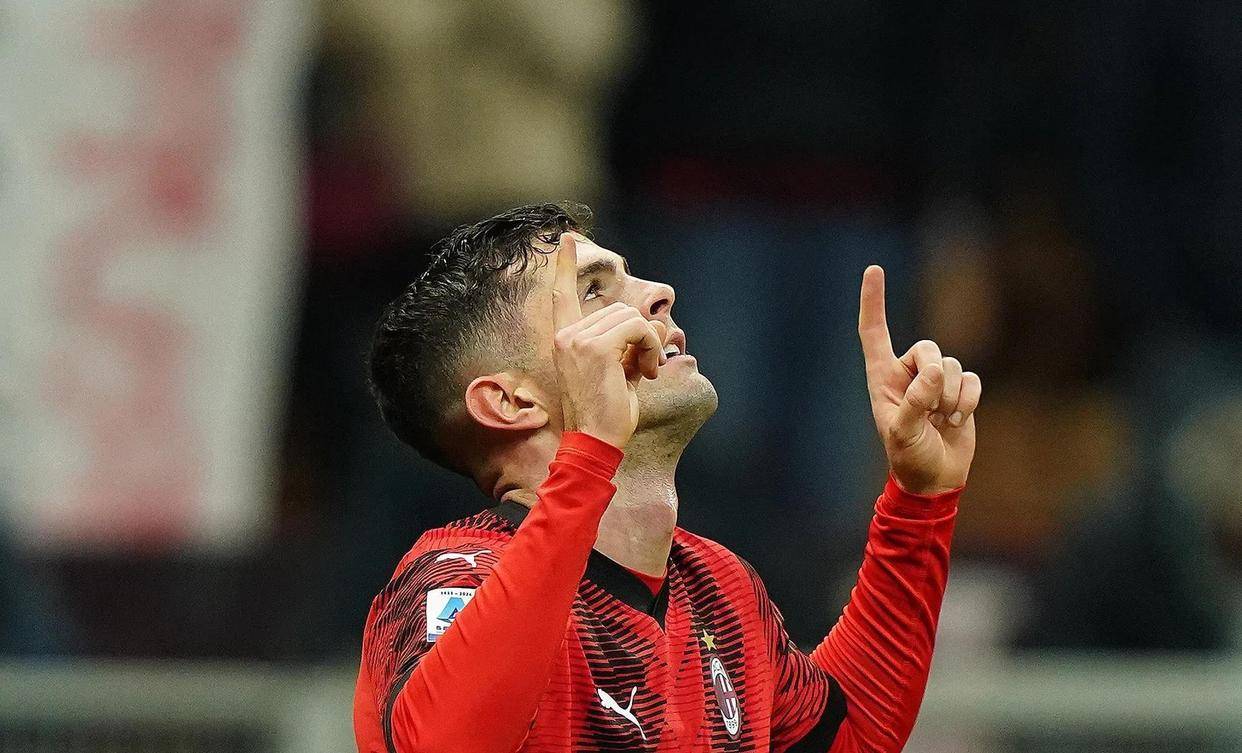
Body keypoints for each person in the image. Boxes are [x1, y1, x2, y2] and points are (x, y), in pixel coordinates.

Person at [353, 203, 982, 753]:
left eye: (632, 276)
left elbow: (847, 737)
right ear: (512, 402)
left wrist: (919, 501)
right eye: (594, 292)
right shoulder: (456, 576)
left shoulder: (719, 587)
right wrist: (590, 449)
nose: (661, 292)